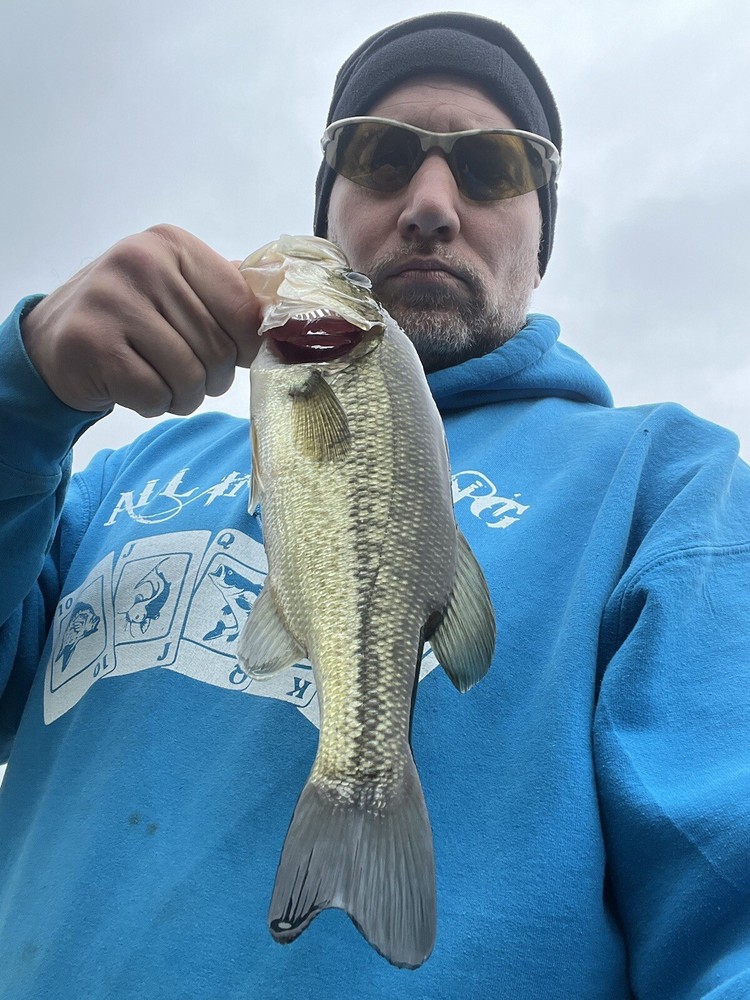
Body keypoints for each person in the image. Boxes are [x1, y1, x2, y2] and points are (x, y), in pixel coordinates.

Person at [0, 11, 748, 998]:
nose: (431, 201)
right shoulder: (116, 471)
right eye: (382, 156)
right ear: (329, 212)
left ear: (542, 243)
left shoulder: (671, 484)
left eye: (492, 168)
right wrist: (23, 399)